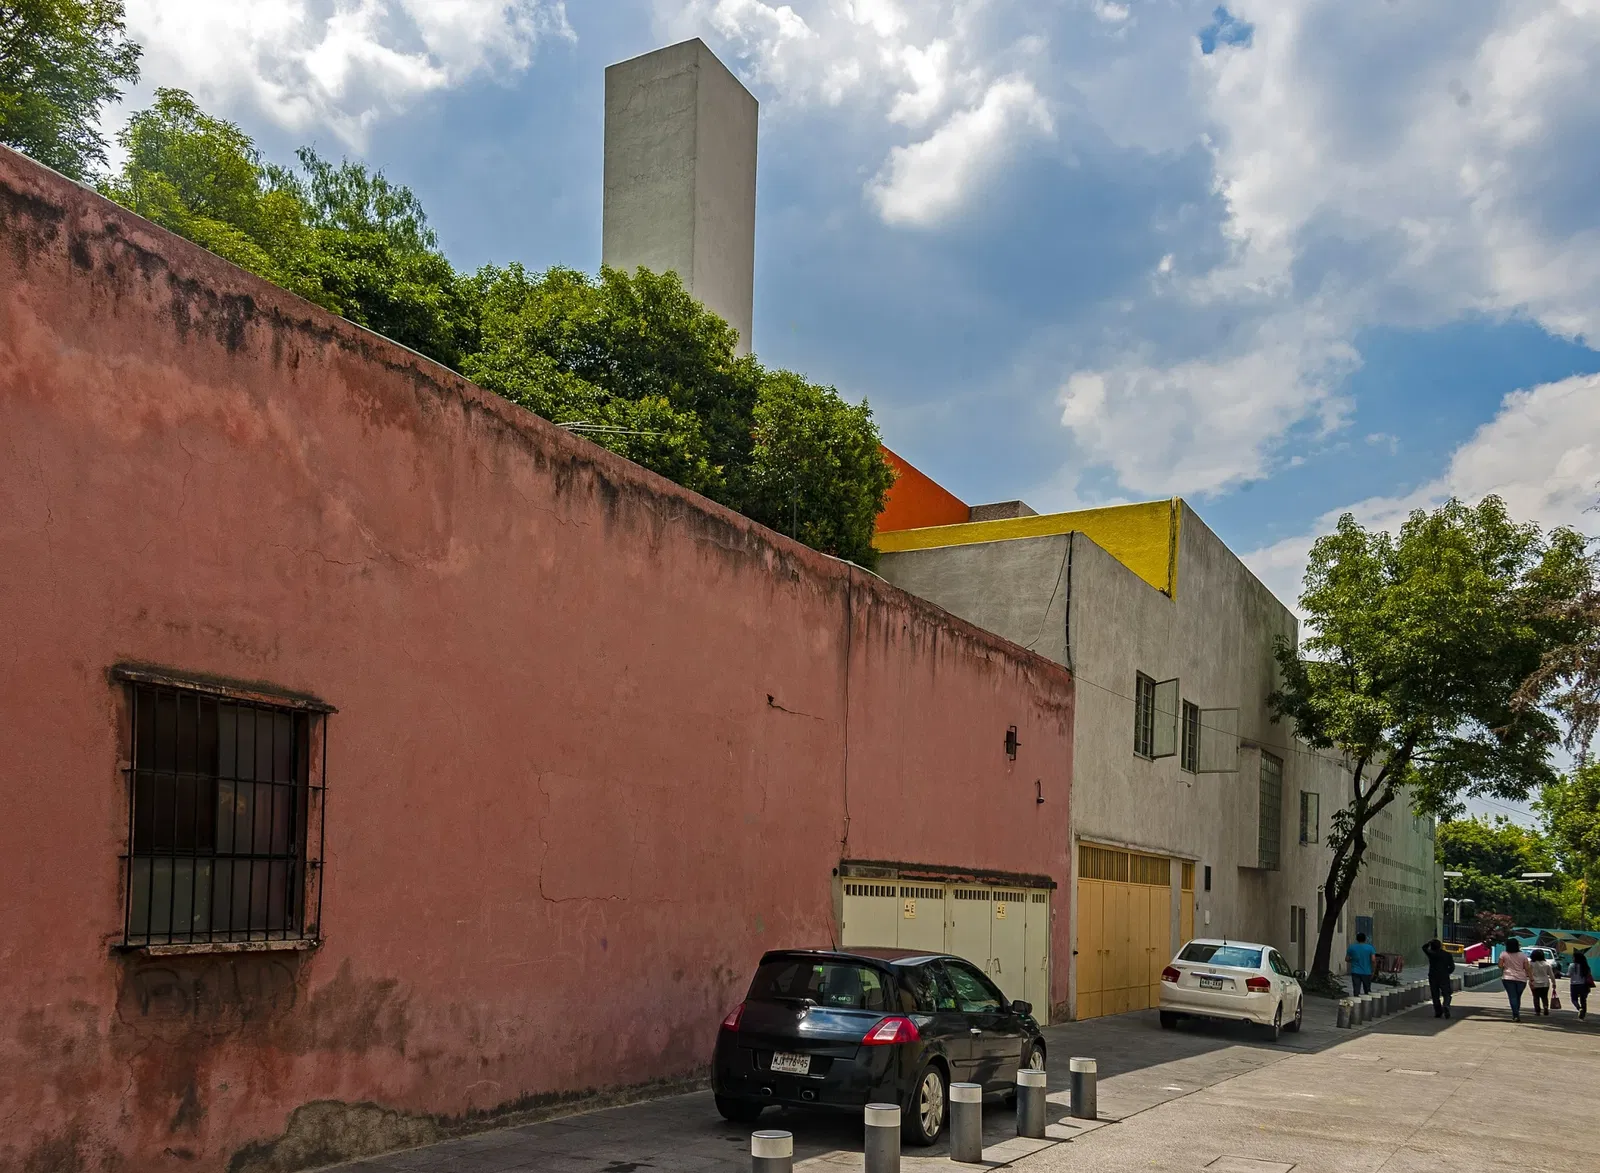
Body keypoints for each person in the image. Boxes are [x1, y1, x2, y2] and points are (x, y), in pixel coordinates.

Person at [1499, 939, 1531, 1021]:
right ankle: (1516, 1012)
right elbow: (1527, 968)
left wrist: (1506, 965)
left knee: (1512, 996)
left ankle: (1515, 1014)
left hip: (1508, 978)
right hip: (1521, 979)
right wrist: (1531, 978)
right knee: (1517, 997)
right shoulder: (1523, 955)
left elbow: (1500, 965)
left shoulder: (1503, 954)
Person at [1424, 938, 1456, 1018]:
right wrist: (1447, 972)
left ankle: (1438, 1012)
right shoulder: (1447, 954)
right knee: (1447, 993)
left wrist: (1429, 943)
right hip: (1444, 976)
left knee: (1435, 995)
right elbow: (1452, 966)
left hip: (1433, 976)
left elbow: (1424, 948)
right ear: (1440, 946)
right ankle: (1446, 1005)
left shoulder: (1431, 954)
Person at [1529, 948, 1555, 1016]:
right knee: (1544, 996)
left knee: (1536, 997)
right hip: (1545, 983)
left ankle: (1537, 1011)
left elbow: (1529, 973)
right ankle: (1545, 1007)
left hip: (1535, 983)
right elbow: (1551, 975)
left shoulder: (1531, 964)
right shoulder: (1547, 964)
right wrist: (1554, 983)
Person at [1571, 952, 1594, 1020]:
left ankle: (1579, 1008)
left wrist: (1560, 974)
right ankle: (1583, 1013)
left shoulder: (1572, 966)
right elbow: (1589, 976)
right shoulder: (1586, 967)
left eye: (1573, 957)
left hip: (1574, 985)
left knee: (1574, 999)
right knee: (1583, 1000)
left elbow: (1568, 974)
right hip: (1584, 985)